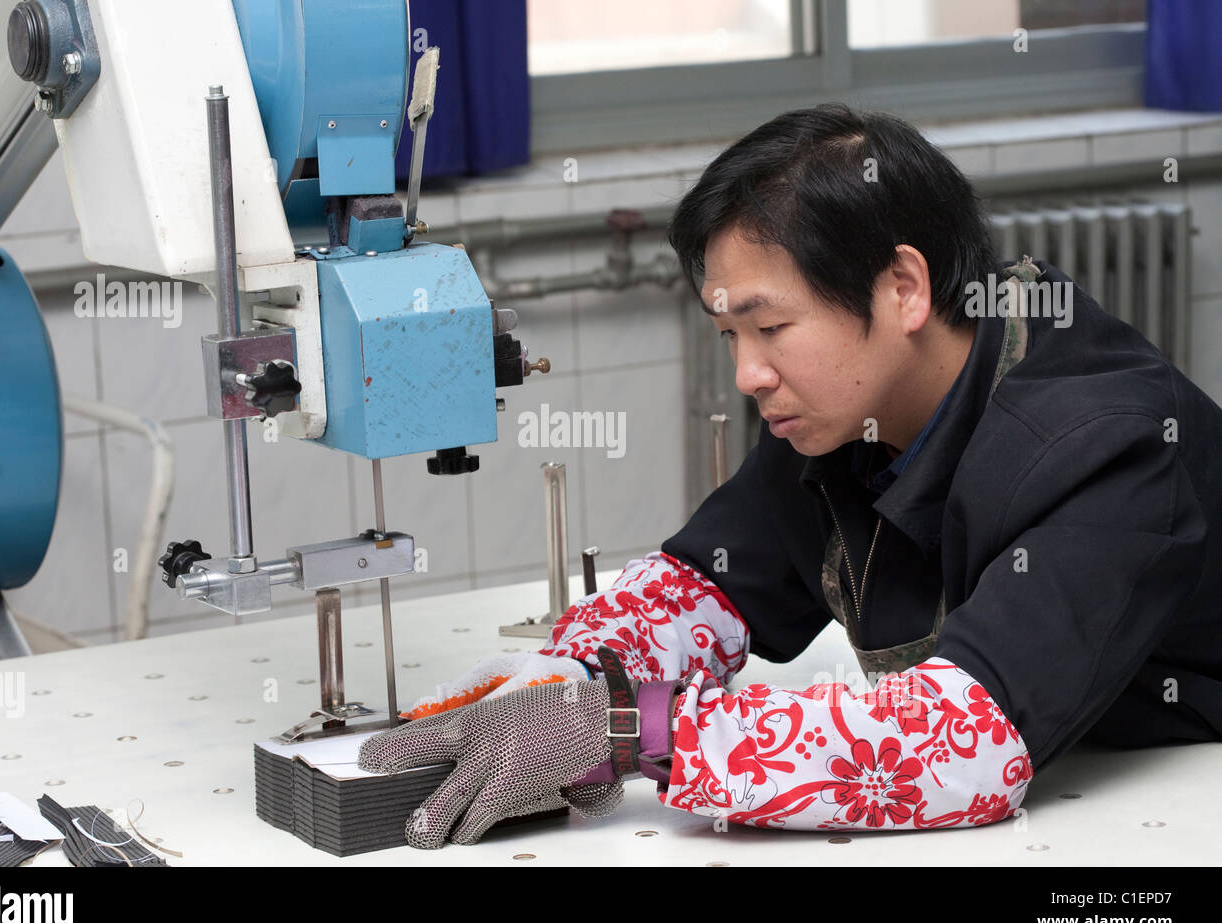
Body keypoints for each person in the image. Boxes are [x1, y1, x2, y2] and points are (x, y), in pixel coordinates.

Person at [359, 103, 1222, 849]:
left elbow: (960, 745)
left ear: (903, 287)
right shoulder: (856, 410)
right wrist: (573, 677)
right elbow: (706, 585)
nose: (748, 374)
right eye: (731, 334)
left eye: (770, 326)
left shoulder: (1109, 446)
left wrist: (626, 729)